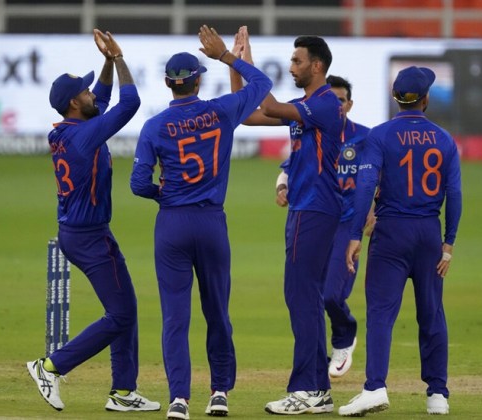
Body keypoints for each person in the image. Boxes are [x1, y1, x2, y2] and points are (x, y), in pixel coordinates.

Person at [130, 25, 272, 420]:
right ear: (198, 81)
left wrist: (163, 195)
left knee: (175, 319)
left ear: (167, 84)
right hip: (211, 223)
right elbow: (263, 84)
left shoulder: (155, 126)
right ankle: (220, 392)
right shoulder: (221, 111)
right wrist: (227, 56)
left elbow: (138, 184)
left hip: (172, 225)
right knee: (217, 312)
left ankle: (179, 399)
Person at [26, 29, 160, 413]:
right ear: (74, 103)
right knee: (121, 313)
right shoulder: (84, 137)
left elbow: (101, 97)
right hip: (87, 237)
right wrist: (119, 58)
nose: (91, 94)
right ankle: (50, 366)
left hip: (86, 231)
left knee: (125, 309)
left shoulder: (73, 129)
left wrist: (105, 62)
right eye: (84, 92)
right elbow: (130, 102)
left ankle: (123, 392)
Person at [230, 29, 344, 414]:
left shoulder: (324, 104)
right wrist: (236, 65)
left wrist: (235, 60)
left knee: (301, 299)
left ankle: (307, 388)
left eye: (297, 61)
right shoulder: (304, 105)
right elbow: (246, 114)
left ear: (317, 66)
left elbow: (270, 104)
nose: (291, 66)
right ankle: (319, 391)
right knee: (304, 298)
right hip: (305, 210)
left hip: (315, 210)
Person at [338, 66, 462, 417]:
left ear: (396, 98)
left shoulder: (380, 135)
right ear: (425, 99)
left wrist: (354, 235)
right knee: (432, 313)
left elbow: (365, 185)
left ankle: (375, 387)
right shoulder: (444, 139)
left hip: (391, 232)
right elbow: (454, 193)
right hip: (429, 234)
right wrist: (448, 243)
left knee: (380, 312)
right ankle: (437, 395)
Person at [274, 75, 371, 380]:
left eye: (341, 100)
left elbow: (381, 177)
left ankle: (344, 337)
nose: (336, 105)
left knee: (330, 294)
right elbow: (291, 165)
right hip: (316, 219)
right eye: (332, 99)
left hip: (347, 223)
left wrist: (376, 210)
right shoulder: (311, 127)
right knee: (308, 293)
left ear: (349, 104)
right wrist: (282, 186)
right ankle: (316, 364)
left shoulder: (365, 138)